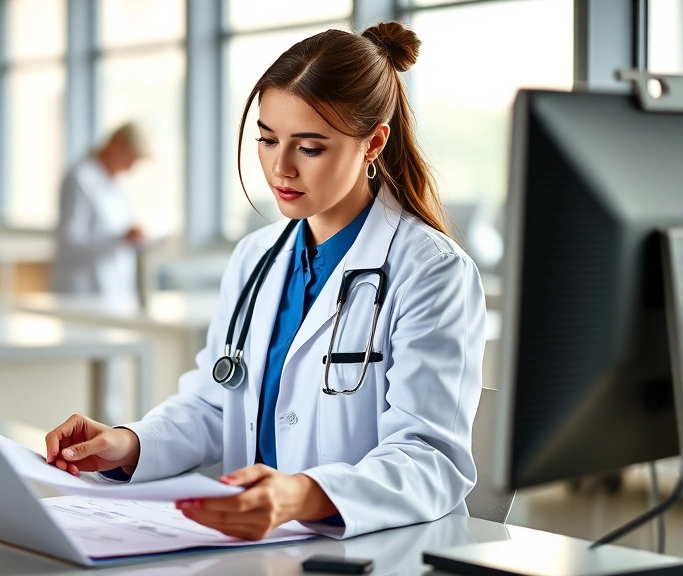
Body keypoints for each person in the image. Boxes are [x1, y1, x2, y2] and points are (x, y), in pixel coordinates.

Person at [44, 22, 486, 541]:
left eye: (310, 147)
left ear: (373, 144)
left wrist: (302, 494)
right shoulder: (256, 257)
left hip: (380, 551)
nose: (280, 168)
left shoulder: (431, 270)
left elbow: (430, 459)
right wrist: (128, 443)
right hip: (263, 551)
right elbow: (215, 401)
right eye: (267, 139)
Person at [50, 122, 147, 302]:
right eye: (130, 160)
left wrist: (127, 239)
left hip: (113, 291)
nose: (131, 168)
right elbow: (69, 242)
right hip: (81, 292)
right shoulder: (79, 178)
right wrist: (119, 240)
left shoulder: (114, 185)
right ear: (116, 145)